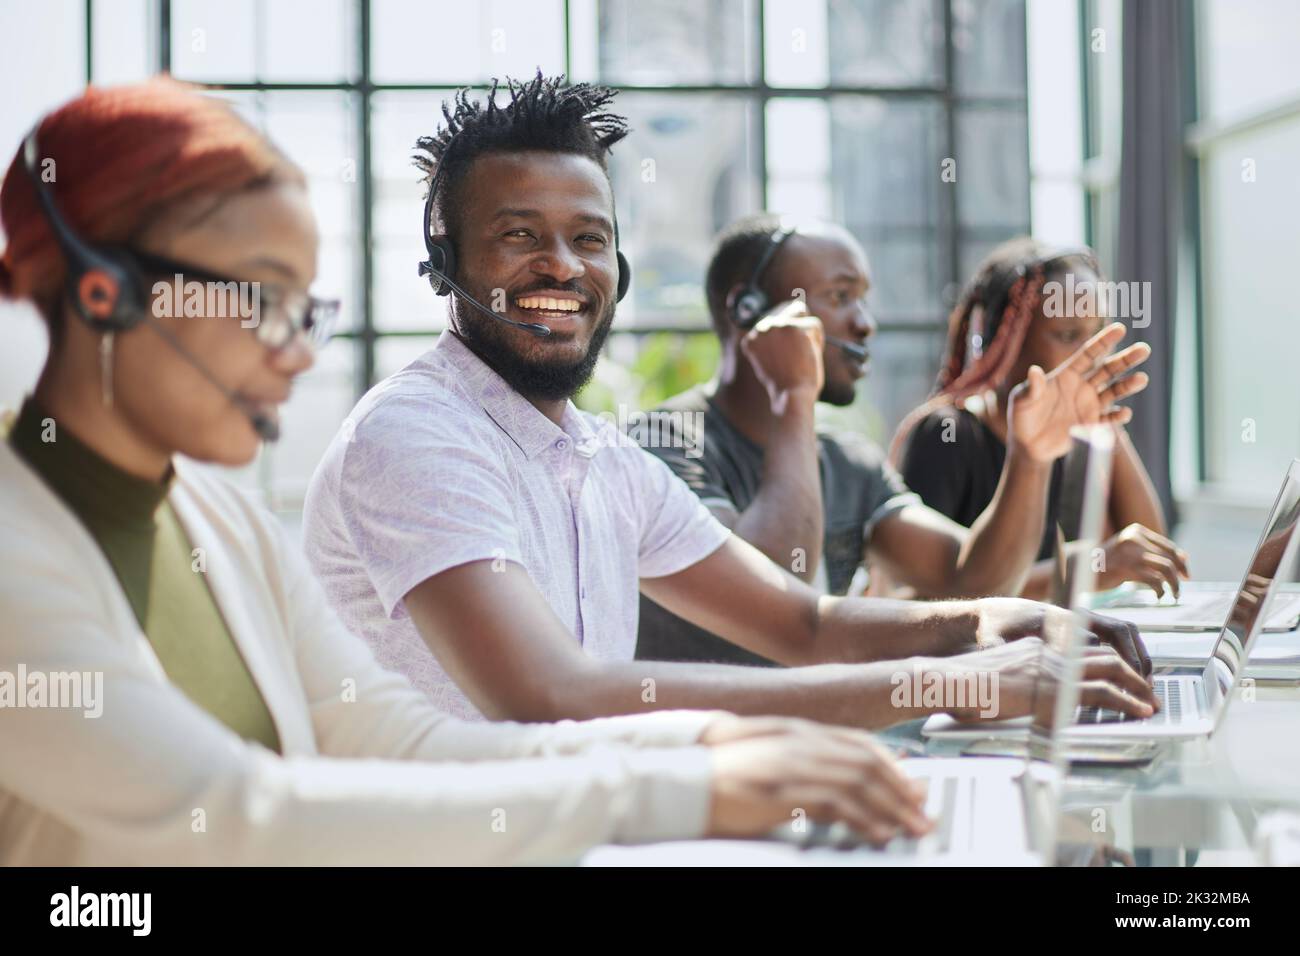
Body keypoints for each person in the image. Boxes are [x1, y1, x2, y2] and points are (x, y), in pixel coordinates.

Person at [0, 79, 935, 865]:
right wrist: (688, 787)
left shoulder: (218, 521)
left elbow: (398, 743)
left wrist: (710, 745)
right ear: (102, 294)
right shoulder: (18, 545)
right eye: (261, 300)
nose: (296, 353)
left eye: (306, 307)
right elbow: (247, 812)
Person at [302, 73, 1158, 736]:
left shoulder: (602, 461)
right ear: (445, 263)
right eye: (519, 234)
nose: (562, 266)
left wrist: (1006, 621)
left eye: (590, 238)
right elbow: (548, 694)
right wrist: (947, 680)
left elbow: (806, 622)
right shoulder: (415, 435)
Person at [634, 215, 1155, 667]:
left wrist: (1031, 455)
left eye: (863, 300)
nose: (865, 324)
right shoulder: (665, 443)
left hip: (818, 736)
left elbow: (972, 578)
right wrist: (793, 396)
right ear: (747, 310)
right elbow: (766, 601)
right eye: (840, 298)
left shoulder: (847, 460)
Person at [893, 237, 1188, 602]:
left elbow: (1150, 557)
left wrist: (1104, 421)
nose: (1088, 355)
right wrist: (1088, 569)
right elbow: (916, 596)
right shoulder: (948, 435)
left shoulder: (1081, 436)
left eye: (1097, 335)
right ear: (1003, 340)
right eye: (1067, 335)